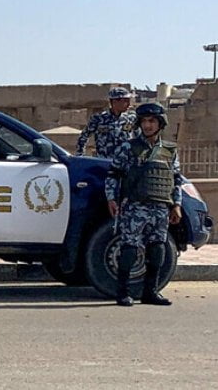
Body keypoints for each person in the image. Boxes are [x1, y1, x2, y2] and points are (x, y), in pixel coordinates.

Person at [105, 102, 182, 307]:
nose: (147, 125)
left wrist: (176, 205)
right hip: (134, 207)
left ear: (160, 123)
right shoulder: (128, 148)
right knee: (129, 250)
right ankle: (122, 293)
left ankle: (151, 292)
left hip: (160, 208)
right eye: (144, 121)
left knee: (157, 250)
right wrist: (111, 199)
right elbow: (113, 174)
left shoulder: (169, 150)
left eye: (152, 121)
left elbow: (176, 179)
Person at [76, 87, 139, 158]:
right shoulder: (99, 119)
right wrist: (80, 155)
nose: (128, 104)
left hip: (124, 161)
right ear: (114, 102)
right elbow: (83, 136)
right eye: (125, 101)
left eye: (128, 100)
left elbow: (139, 138)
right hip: (104, 161)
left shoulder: (131, 118)